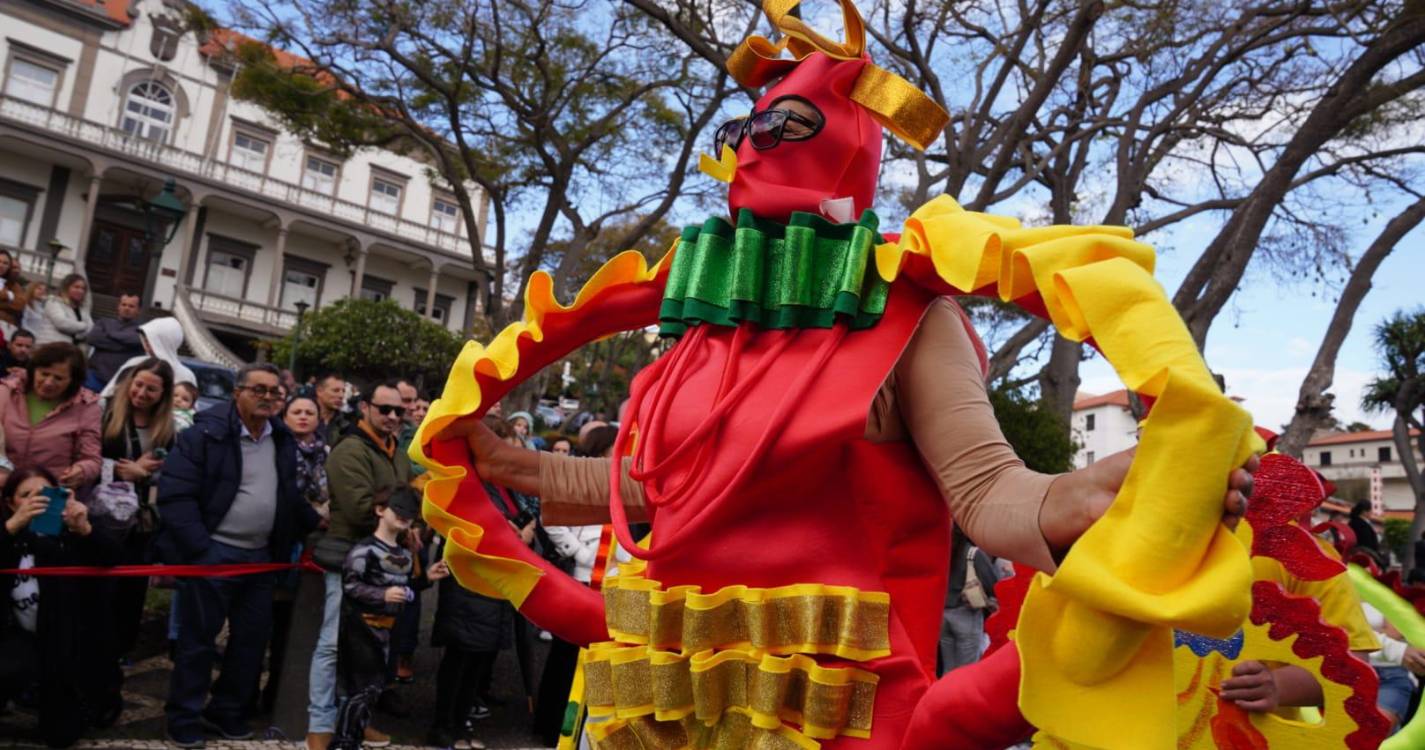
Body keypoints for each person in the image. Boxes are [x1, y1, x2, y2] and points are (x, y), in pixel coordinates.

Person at [154, 363, 321, 749]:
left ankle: (226, 710)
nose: (267, 398)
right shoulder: (204, 435)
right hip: (213, 553)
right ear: (237, 393)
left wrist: (315, 521)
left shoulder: (281, 438)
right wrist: (201, 548)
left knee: (250, 643)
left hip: (261, 558)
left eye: (274, 392)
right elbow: (176, 495)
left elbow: (287, 494)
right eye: (258, 390)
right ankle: (183, 717)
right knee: (198, 643)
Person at [306, 380, 410, 750]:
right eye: (385, 409)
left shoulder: (397, 450)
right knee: (333, 644)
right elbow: (360, 509)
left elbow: (404, 502)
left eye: (399, 411)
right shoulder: (349, 449)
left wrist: (408, 524)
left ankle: (355, 718)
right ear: (365, 407)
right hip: (349, 557)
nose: (393, 416)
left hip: (384, 563)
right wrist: (405, 525)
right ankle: (320, 724)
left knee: (368, 649)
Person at [0, 467, 113, 748]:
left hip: (66, 642)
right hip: (15, 637)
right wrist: (12, 527)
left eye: (44, 493)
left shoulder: (71, 531)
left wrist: (84, 530)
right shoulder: (8, 531)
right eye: (26, 495)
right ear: (10, 503)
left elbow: (115, 559)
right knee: (9, 668)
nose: (36, 501)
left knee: (62, 735)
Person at [333, 489, 449, 750]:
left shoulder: (406, 553)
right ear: (380, 510)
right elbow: (350, 586)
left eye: (410, 513)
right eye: (398, 509)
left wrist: (426, 578)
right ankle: (344, 742)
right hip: (361, 629)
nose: (404, 516)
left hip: (389, 632)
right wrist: (382, 594)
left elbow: (405, 586)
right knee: (358, 690)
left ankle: (353, 738)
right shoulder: (364, 551)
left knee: (374, 689)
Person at [95, 358, 176, 710]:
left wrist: (146, 473)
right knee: (97, 599)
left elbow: (170, 475)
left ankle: (111, 675)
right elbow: (83, 458)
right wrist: (120, 470)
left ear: (163, 395)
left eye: (151, 389)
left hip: (139, 526)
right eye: (138, 385)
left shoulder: (167, 430)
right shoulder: (104, 414)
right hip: (99, 522)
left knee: (127, 603)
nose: (142, 393)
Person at [0, 342, 102, 489]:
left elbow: (92, 459)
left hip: (47, 491)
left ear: (73, 381)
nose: (49, 382)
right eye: (44, 374)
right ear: (33, 370)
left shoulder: (86, 407)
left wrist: (82, 470)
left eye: (58, 378)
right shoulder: (7, 391)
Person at [940, 527, 1000, 675]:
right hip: (966, 614)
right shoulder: (972, 553)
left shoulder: (941, 552)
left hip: (942, 615)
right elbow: (994, 585)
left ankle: (947, 689)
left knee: (948, 668)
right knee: (967, 670)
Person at [99, 317, 197, 400]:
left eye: (152, 341)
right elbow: (108, 394)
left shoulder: (185, 376)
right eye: (145, 341)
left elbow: (189, 409)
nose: (147, 346)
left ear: (167, 342)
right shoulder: (134, 363)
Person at [85, 293, 145, 388]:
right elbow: (92, 338)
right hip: (94, 377)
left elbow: (134, 340)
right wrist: (124, 345)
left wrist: (110, 333)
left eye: (131, 306)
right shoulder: (103, 322)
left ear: (138, 310)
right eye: (124, 304)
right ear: (118, 306)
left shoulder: (143, 330)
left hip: (120, 383)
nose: (126, 308)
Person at [33, 274, 90, 347]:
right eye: (76, 287)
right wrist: (84, 326)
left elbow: (91, 330)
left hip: (69, 348)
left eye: (83, 289)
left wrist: (75, 332)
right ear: (66, 288)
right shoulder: (54, 302)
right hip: (49, 346)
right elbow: (62, 323)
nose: (80, 291)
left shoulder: (82, 309)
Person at [315, 373, 352, 444]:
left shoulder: (345, 424)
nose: (341, 395)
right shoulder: (302, 419)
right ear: (319, 391)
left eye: (343, 391)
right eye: (336, 390)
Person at [0, 249, 29, 337]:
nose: (1, 265)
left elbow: (21, 304)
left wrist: (7, 295)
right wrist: (11, 297)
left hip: (5, 330)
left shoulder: (14, 285)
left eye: (5, 263)